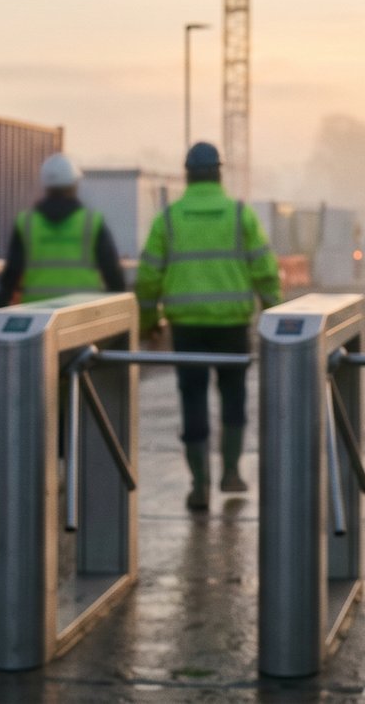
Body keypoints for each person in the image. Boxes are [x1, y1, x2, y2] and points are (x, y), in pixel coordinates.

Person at [135, 142, 282, 512]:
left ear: (187, 174)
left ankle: (199, 484)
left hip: (187, 328)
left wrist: (149, 322)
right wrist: (274, 313)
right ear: (219, 172)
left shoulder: (169, 218)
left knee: (193, 399)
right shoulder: (239, 215)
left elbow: (148, 277)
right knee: (234, 397)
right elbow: (264, 270)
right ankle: (231, 472)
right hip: (232, 324)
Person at [0, 152, 126, 307]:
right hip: (83, 313)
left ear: (46, 185)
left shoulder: (27, 223)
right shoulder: (92, 222)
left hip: (37, 314)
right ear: (75, 184)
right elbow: (113, 274)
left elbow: (11, 275)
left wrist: (1, 308)